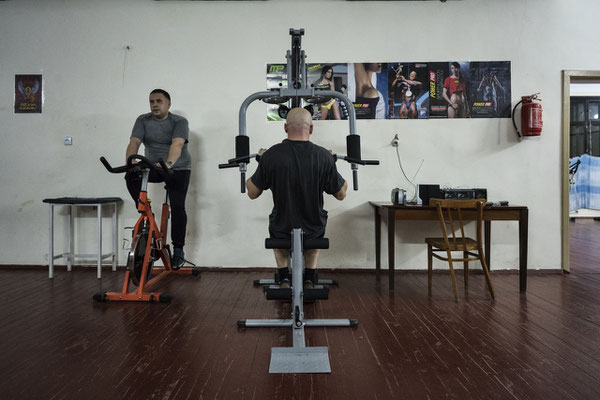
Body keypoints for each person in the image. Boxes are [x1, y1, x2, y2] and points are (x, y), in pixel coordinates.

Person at [246, 108, 348, 289]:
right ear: (311, 129)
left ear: (285, 128)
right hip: (313, 227)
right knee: (316, 225)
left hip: (282, 226)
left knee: (278, 229)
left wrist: (262, 162)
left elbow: (252, 193)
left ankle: (284, 278)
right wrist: (331, 164)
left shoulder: (271, 155)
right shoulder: (323, 156)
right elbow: (341, 194)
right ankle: (309, 278)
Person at [125, 89, 192, 268]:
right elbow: (134, 143)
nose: (155, 104)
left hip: (177, 168)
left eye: (159, 101)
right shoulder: (143, 120)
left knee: (178, 207)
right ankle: (146, 212)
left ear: (168, 104)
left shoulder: (179, 121)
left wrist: (169, 163)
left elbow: (177, 143)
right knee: (131, 176)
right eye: (151, 101)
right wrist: (130, 163)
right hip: (153, 166)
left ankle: (178, 250)